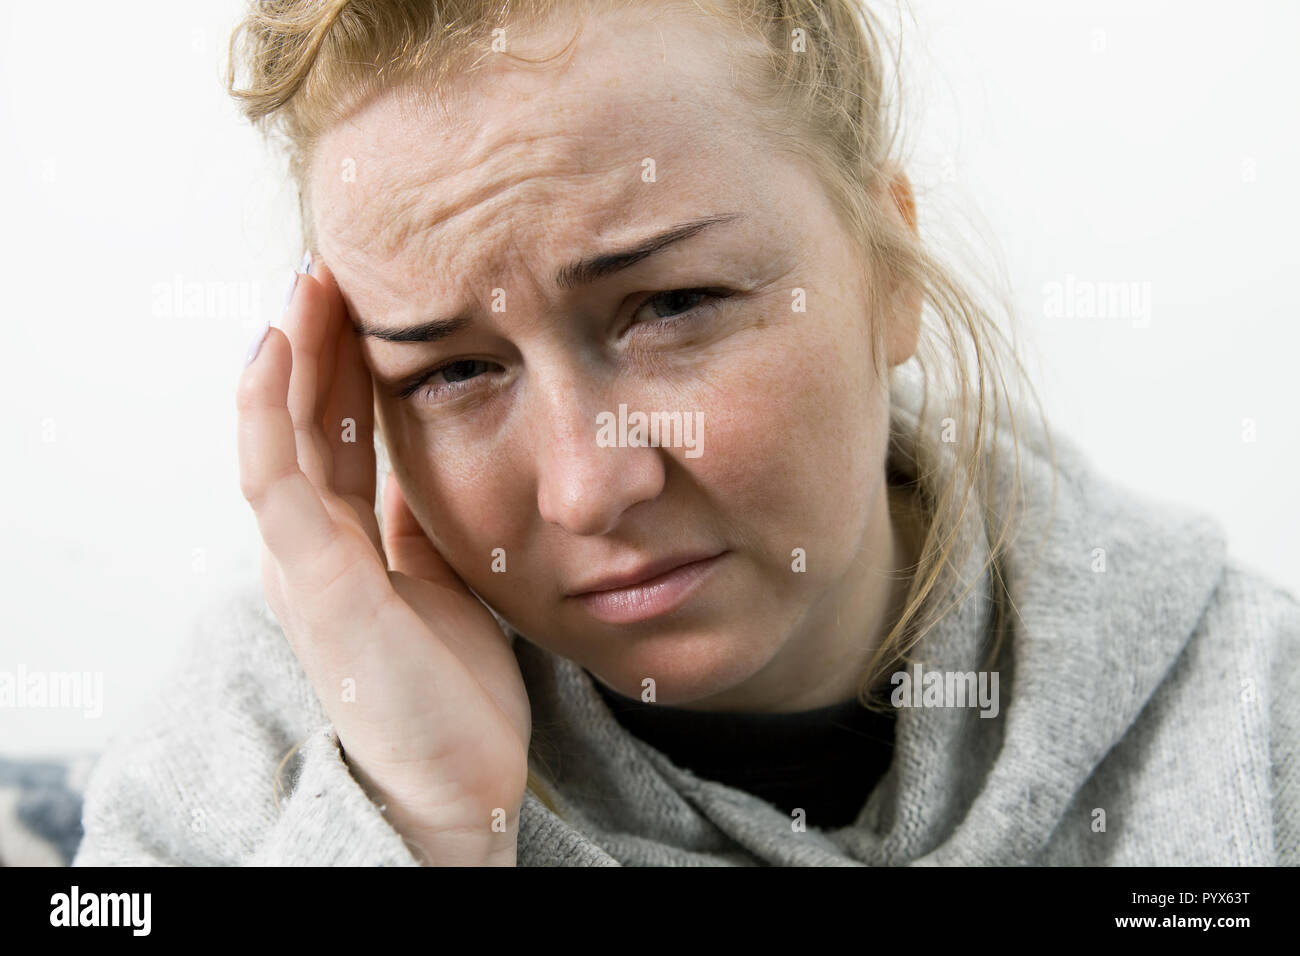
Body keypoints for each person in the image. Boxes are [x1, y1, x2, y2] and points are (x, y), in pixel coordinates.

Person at [73, 0, 1298, 866]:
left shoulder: (1251, 718)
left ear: (888, 272)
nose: (588, 485)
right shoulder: (262, 744)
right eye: (452, 371)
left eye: (671, 306)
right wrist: (425, 823)